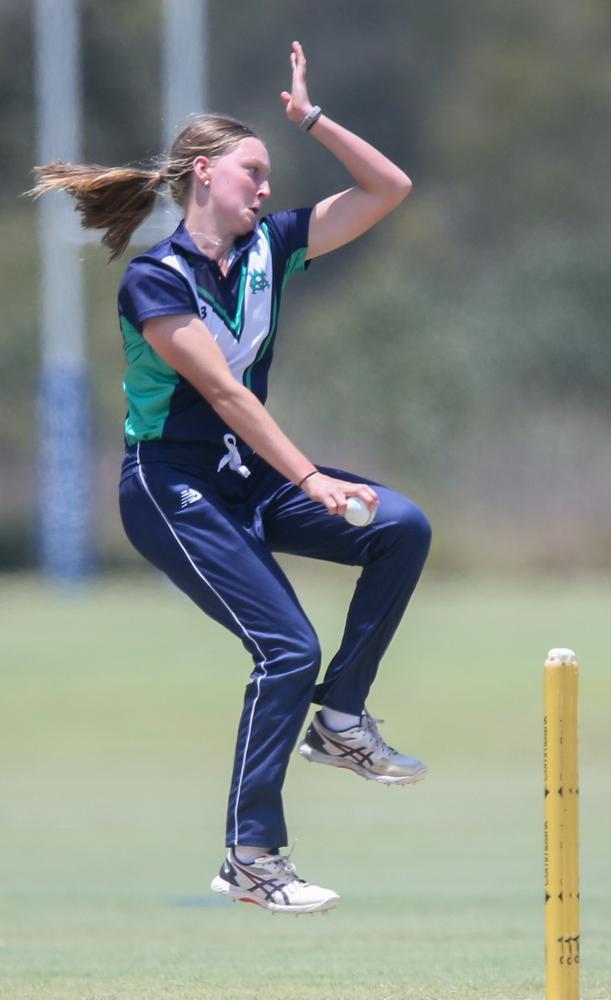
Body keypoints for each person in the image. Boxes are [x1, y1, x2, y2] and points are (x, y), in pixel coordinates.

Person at [31, 41, 431, 915]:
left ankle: (344, 720)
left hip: (246, 478)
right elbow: (218, 389)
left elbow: (388, 190)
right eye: (252, 171)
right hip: (173, 491)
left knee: (401, 526)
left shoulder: (273, 248)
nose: (264, 188)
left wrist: (312, 120)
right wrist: (313, 480)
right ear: (203, 173)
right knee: (286, 647)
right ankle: (251, 857)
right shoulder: (154, 278)